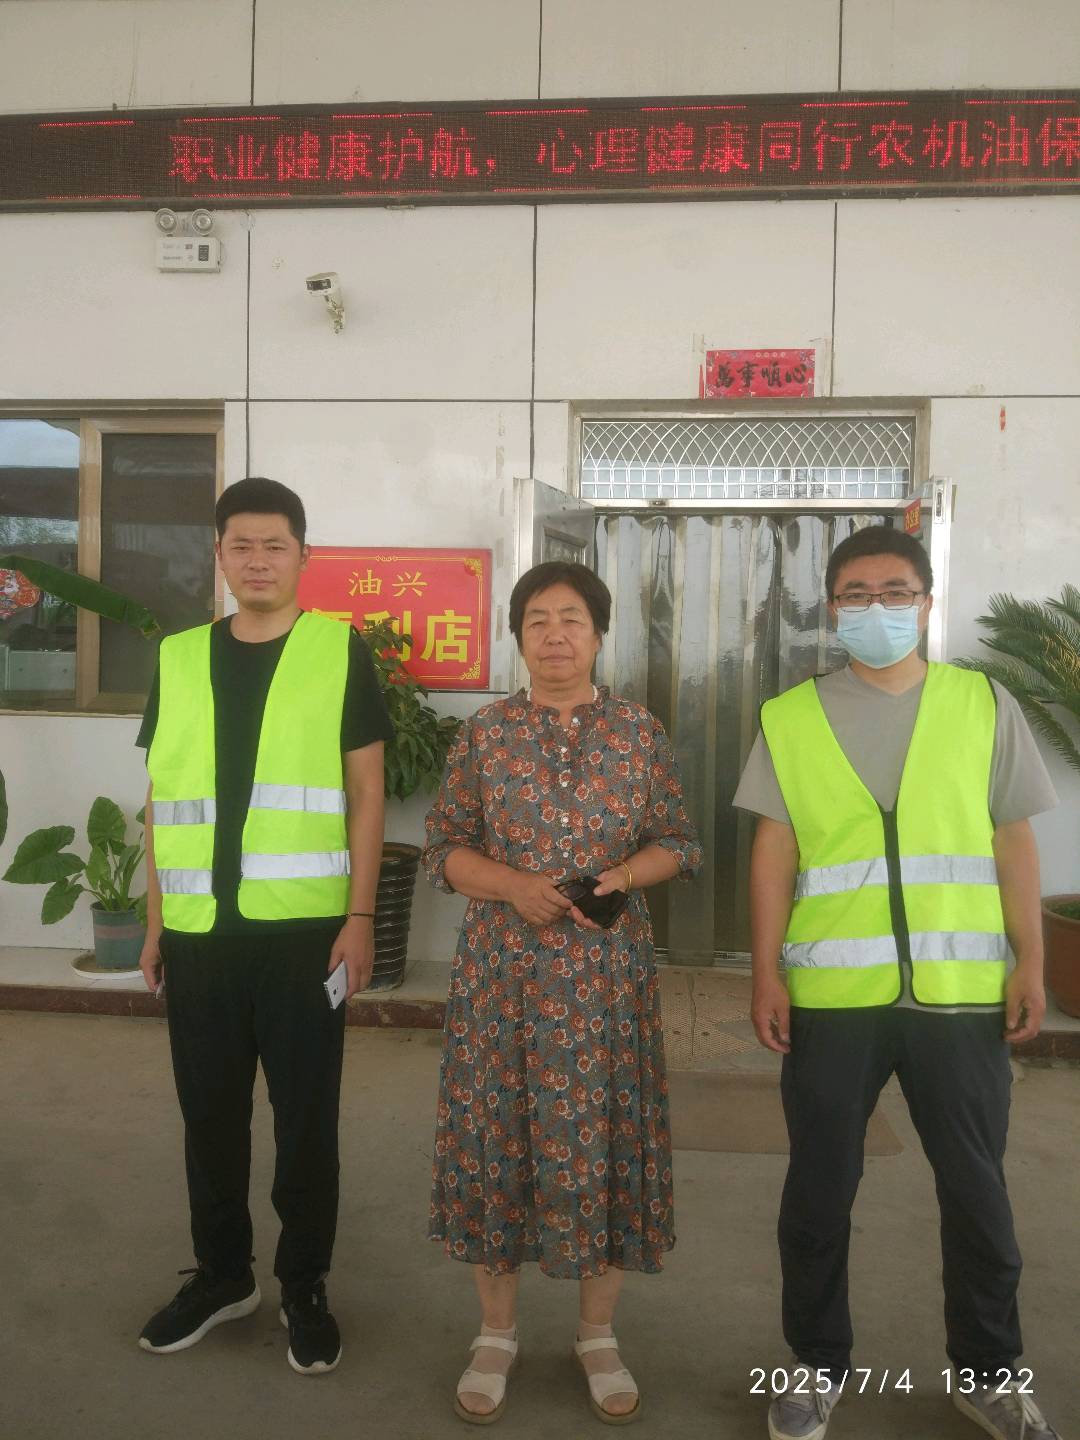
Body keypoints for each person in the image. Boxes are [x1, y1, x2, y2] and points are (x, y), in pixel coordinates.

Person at [734, 525, 1062, 1440]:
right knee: (817, 1195)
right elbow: (774, 851)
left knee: (978, 1196)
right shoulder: (791, 717)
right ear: (831, 608)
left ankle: (989, 1375)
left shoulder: (981, 702)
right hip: (833, 1003)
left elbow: (1012, 840)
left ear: (925, 602)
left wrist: (1031, 960)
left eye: (894, 592)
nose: (874, 608)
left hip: (961, 999)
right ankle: (814, 1366)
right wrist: (765, 973)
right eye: (855, 594)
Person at [422, 560, 702, 1425]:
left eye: (572, 619)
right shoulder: (485, 734)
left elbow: (678, 841)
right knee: (497, 1136)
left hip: (606, 982)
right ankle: (495, 1334)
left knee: (602, 1140)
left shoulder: (638, 731)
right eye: (537, 619)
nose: (554, 635)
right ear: (517, 635)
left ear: (599, 634)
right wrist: (512, 885)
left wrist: (621, 874)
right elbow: (443, 849)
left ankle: (597, 1335)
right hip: (502, 981)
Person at [135, 477, 393, 1375]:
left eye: (274, 545)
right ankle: (222, 1277)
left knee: (305, 1125)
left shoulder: (338, 651)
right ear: (218, 555)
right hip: (200, 938)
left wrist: (361, 917)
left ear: (303, 556)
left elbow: (368, 792)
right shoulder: (176, 659)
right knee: (208, 1120)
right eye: (240, 545)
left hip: (305, 938)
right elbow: (162, 799)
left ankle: (304, 1285)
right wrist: (157, 922)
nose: (256, 560)